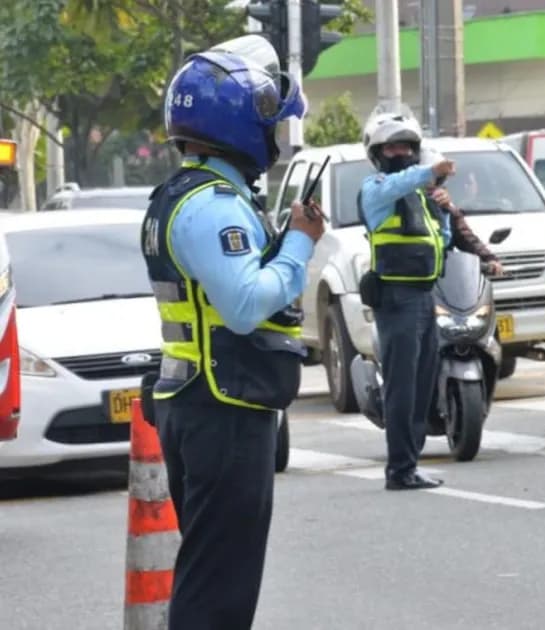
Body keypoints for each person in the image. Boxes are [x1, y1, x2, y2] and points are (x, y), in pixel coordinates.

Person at [140, 34, 324, 630]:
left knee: (214, 571)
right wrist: (299, 243)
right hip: (222, 409)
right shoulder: (213, 205)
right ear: (239, 123)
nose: (275, 138)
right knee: (220, 584)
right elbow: (245, 305)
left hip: (204, 403)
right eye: (270, 124)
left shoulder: (182, 196)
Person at [358, 112, 496, 490]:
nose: (400, 153)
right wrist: (428, 173)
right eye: (391, 148)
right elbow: (402, 181)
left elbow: (444, 239)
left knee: (421, 386)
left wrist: (444, 208)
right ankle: (399, 470)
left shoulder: (422, 197)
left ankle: (410, 463)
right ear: (377, 154)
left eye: (406, 147)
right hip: (396, 299)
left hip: (424, 297)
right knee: (402, 388)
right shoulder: (376, 190)